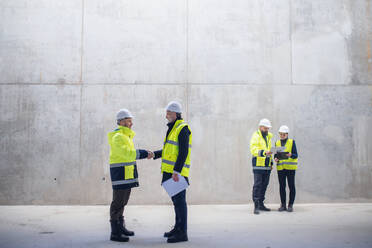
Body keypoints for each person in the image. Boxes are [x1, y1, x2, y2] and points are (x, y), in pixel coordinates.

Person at [107, 109, 154, 242]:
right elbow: (128, 153)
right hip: (120, 174)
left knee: (123, 201)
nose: (131, 123)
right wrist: (145, 153)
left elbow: (129, 155)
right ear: (121, 122)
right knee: (117, 202)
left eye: (131, 121)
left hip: (126, 173)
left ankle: (121, 227)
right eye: (128, 121)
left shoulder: (126, 136)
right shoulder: (118, 137)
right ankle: (115, 232)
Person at [153, 101, 192, 243]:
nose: (166, 115)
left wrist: (177, 171)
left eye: (169, 113)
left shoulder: (182, 128)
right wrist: (155, 154)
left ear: (176, 113)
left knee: (180, 202)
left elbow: (183, 152)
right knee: (176, 202)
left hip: (177, 173)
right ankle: (177, 228)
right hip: (170, 171)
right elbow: (170, 150)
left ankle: (183, 232)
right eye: (166, 112)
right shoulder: (173, 128)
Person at [250, 118, 273, 215]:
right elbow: (253, 149)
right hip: (258, 165)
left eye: (268, 128)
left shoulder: (268, 137)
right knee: (257, 185)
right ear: (260, 127)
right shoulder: (256, 136)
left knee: (264, 185)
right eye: (265, 128)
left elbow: (270, 151)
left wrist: (271, 163)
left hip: (267, 166)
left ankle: (261, 204)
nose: (267, 130)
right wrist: (264, 153)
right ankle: (256, 206)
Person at [274, 125, 298, 212]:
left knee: (291, 186)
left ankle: (290, 205)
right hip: (281, 168)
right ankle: (283, 205)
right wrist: (275, 158)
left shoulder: (292, 142)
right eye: (280, 134)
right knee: (282, 186)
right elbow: (276, 155)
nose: (282, 136)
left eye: (284, 134)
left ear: (287, 134)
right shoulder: (277, 143)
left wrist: (291, 155)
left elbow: (296, 155)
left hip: (290, 168)